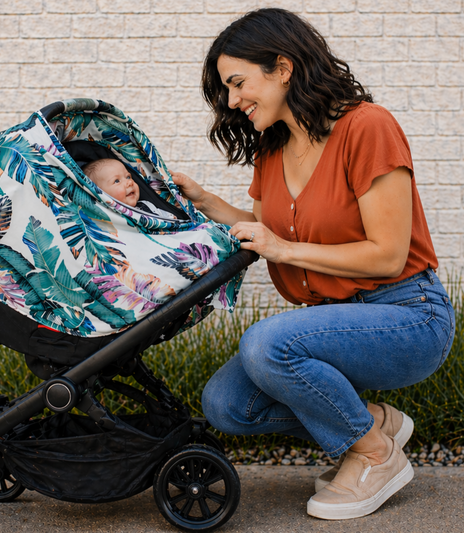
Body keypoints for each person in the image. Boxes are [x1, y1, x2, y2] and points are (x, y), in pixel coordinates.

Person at [171, 8, 455, 521]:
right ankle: (370, 423)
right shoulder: (273, 147)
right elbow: (264, 233)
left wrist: (281, 249)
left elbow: (387, 254)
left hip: (407, 313)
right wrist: (202, 198)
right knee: (226, 403)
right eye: (227, 89)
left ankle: (374, 454)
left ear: (282, 68)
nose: (232, 100)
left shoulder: (367, 126)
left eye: (238, 83)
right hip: (330, 317)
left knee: (267, 343)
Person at [84, 158, 176, 219]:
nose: (130, 182)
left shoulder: (146, 205)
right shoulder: (105, 217)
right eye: (117, 181)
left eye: (128, 177)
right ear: (99, 193)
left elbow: (167, 218)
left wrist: (171, 217)